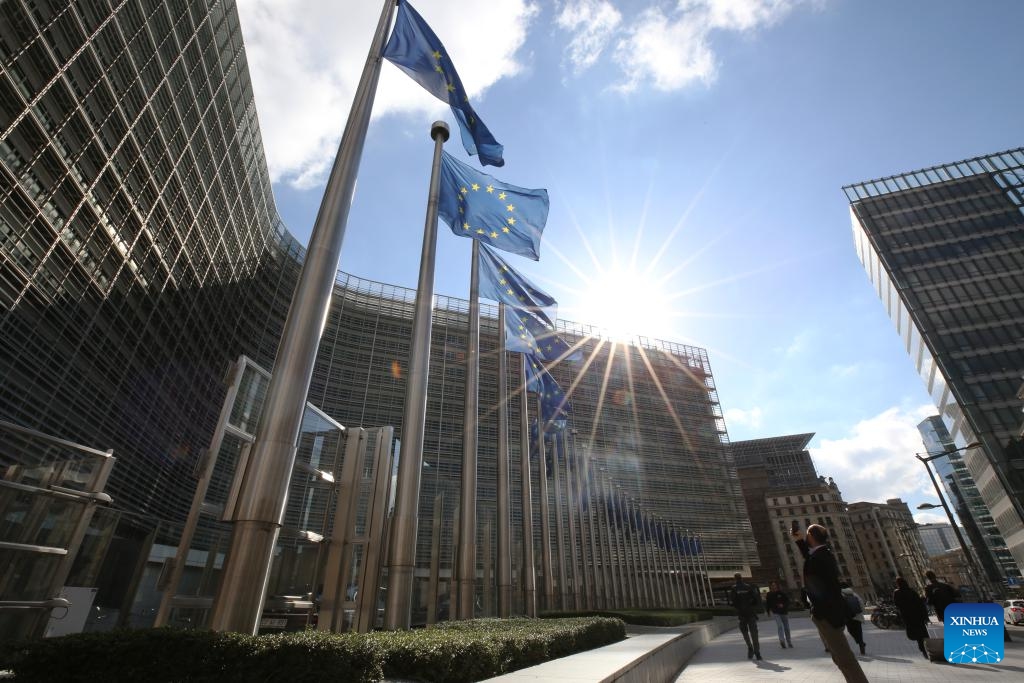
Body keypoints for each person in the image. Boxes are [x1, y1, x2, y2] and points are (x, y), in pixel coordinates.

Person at [791, 523, 868, 683]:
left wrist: (818, 611)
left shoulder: (821, 557)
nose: (806, 537)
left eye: (807, 535)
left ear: (811, 537)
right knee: (838, 656)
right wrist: (799, 541)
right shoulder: (822, 554)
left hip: (827, 614)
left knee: (844, 657)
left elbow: (820, 582)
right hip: (829, 611)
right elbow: (810, 557)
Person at [893, 577, 930, 659]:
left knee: (917, 635)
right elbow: (920, 604)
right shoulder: (912, 591)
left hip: (908, 617)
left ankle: (923, 650)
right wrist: (925, 616)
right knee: (923, 633)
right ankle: (929, 649)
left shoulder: (897, 593)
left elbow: (896, 604)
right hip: (918, 616)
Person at [728, 572, 762, 660]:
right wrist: (750, 605)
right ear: (742, 578)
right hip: (750, 613)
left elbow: (733, 602)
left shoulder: (734, 588)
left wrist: (739, 607)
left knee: (745, 633)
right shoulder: (748, 587)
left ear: (735, 579)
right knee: (754, 633)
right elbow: (755, 599)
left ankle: (750, 647)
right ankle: (757, 652)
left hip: (742, 614)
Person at [764, 580, 793, 648]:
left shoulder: (781, 593)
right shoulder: (769, 594)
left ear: (776, 586)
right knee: (779, 626)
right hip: (776, 612)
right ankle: (782, 640)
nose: (773, 586)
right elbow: (767, 603)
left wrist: (783, 605)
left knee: (786, 628)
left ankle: (789, 641)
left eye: (774, 585)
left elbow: (787, 601)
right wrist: (768, 611)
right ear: (770, 586)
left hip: (784, 612)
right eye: (772, 585)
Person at [841, 582, 866, 655]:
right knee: (859, 631)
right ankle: (861, 645)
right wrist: (861, 612)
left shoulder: (841, 594)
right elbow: (861, 602)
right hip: (857, 616)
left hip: (848, 617)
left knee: (850, 630)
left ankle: (860, 642)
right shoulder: (854, 594)